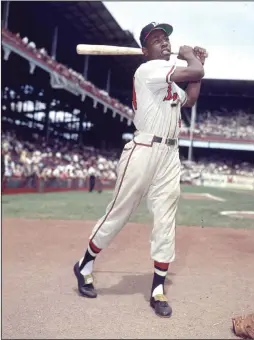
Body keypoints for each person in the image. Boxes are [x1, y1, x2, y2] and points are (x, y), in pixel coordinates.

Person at [73, 22, 207, 318]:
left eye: (166, 39)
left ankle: (157, 289)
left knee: (165, 219)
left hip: (170, 154)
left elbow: (192, 97)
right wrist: (190, 56)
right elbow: (194, 72)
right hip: (144, 149)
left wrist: (200, 62)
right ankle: (85, 265)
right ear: (145, 51)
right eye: (156, 40)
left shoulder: (169, 82)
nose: (164, 43)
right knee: (119, 212)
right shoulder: (147, 71)